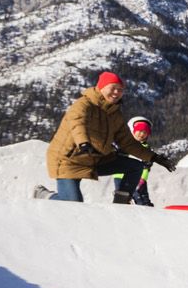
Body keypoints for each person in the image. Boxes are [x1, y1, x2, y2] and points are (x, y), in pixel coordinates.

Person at [43, 71, 167, 201]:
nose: (116, 93)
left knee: (135, 166)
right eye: (112, 88)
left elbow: (127, 142)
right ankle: (47, 196)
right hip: (69, 160)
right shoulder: (83, 105)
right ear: (101, 87)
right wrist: (84, 143)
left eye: (120, 90)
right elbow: (77, 124)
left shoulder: (114, 113)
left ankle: (121, 202)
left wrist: (153, 157)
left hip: (95, 158)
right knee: (74, 203)